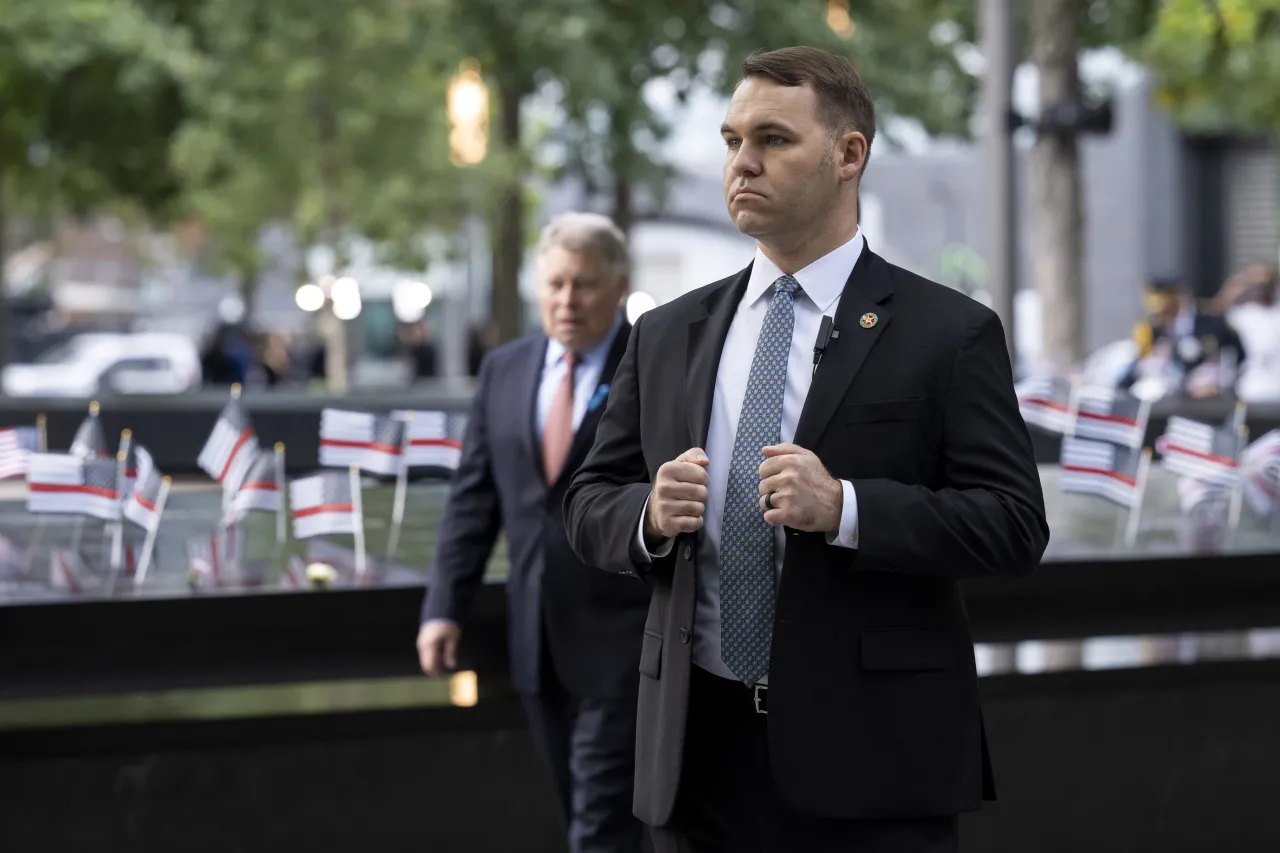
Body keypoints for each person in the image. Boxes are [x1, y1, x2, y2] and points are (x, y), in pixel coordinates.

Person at [563, 47, 1049, 852]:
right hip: (694, 756)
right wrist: (645, 514)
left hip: (874, 764)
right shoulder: (667, 333)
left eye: (772, 140)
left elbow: (1012, 524)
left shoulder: (949, 334)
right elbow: (587, 500)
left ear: (848, 154)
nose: (741, 164)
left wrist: (847, 508)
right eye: (730, 141)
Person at [418, 212, 650, 853]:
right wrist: (443, 609)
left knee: (598, 826)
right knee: (576, 807)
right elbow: (472, 504)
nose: (566, 301)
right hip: (533, 640)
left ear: (619, 285)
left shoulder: (654, 368)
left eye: (584, 284)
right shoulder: (505, 370)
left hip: (623, 642)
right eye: (554, 285)